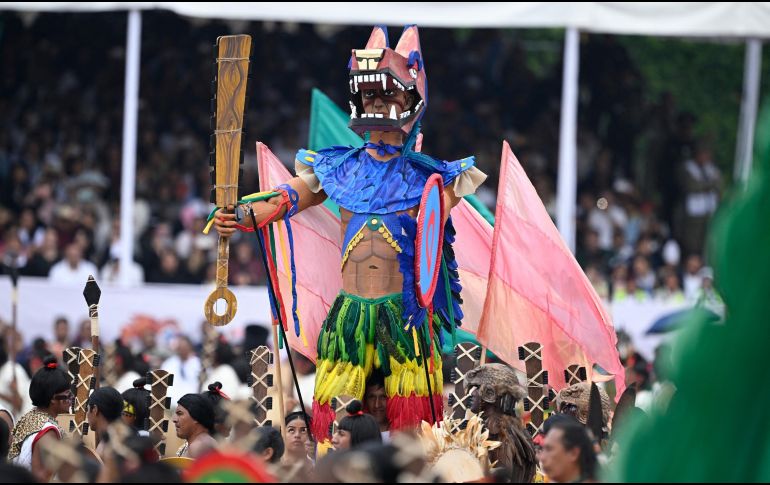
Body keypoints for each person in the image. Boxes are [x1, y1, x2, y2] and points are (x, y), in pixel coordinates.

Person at [214, 24, 485, 441]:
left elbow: (437, 226)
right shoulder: (338, 167)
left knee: (413, 432)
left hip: (405, 317)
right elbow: (285, 199)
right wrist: (240, 215)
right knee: (335, 429)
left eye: (388, 94)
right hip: (349, 315)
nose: (376, 103)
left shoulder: (433, 179)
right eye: (369, 94)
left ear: (412, 100)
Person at [9, 356, 71, 482]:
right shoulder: (49, 432)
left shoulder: (31, 416)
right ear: (53, 399)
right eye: (68, 395)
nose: (71, 399)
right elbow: (41, 477)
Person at [172, 393, 217, 459]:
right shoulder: (205, 442)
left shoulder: (199, 446)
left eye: (180, 413)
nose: (174, 419)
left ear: (196, 417)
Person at [86, 386, 124, 461]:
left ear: (94, 410)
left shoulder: (106, 450)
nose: (87, 414)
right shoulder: (124, 439)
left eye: (87, 409)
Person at [363, 370, 389, 437]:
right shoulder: (357, 435)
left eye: (383, 397)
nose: (377, 405)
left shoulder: (403, 436)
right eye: (372, 397)